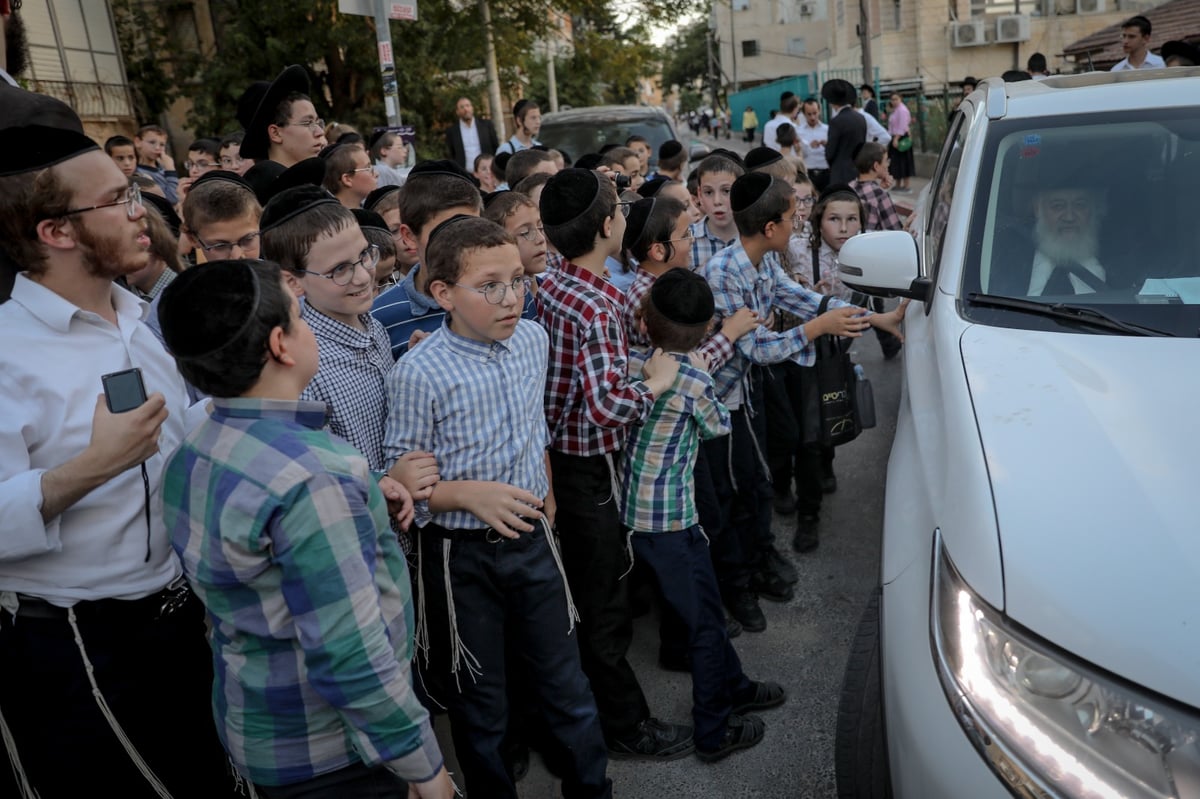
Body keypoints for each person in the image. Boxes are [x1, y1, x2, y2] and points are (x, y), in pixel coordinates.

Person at [0, 121, 239, 798]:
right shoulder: (6, 351)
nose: (145, 211)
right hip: (80, 645)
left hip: (180, 614)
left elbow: (178, 440)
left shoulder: (136, 316)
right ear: (57, 232)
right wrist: (92, 466)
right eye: (121, 197)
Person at [156, 259, 453, 799]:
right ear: (281, 345)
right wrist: (424, 768)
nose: (310, 325)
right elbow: (349, 653)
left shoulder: (193, 451)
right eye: (300, 316)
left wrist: (362, 495)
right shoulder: (313, 476)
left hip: (260, 723)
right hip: (335, 751)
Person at [384, 214, 612, 798]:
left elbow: (534, 429)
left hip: (534, 541)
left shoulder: (531, 340)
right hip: (459, 560)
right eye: (489, 286)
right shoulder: (419, 372)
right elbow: (406, 483)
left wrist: (549, 492)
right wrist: (460, 496)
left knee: (568, 687)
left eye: (518, 280)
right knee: (480, 706)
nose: (511, 299)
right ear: (442, 294)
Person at [537, 168, 695, 760]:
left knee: (586, 598)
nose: (625, 215)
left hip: (556, 460)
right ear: (608, 226)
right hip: (587, 472)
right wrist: (653, 382)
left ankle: (587, 717)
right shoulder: (597, 307)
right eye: (619, 210)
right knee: (604, 607)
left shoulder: (553, 282)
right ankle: (625, 726)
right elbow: (605, 407)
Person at [701, 173, 906, 626]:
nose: (798, 226)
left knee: (756, 486)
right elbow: (757, 348)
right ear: (770, 228)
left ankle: (761, 561)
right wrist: (817, 329)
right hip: (719, 404)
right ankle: (740, 587)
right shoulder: (722, 272)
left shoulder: (763, 263)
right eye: (793, 217)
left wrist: (877, 318)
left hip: (748, 392)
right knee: (737, 494)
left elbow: (810, 301)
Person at [623, 268, 786, 761]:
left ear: (646, 321)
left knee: (702, 613)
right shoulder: (694, 379)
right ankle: (714, 730)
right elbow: (716, 428)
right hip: (674, 521)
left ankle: (734, 685)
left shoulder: (636, 364)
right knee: (705, 625)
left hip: (634, 516)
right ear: (707, 329)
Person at [258, 185, 394, 477]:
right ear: (293, 282)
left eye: (365, 255)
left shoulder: (376, 328)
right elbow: (321, 473)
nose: (362, 276)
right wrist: (389, 481)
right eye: (340, 270)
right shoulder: (303, 369)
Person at [371, 161, 485, 359]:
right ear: (409, 237)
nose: (462, 241)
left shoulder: (509, 294)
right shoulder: (379, 316)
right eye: (444, 231)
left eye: (472, 227)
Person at [236, 65, 328, 168]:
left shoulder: (324, 180)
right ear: (275, 133)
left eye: (318, 123)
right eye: (307, 123)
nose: (320, 132)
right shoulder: (264, 183)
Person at [689, 153, 745, 272]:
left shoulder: (757, 237)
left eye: (726, 191)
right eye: (708, 192)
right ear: (699, 195)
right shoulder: (687, 241)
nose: (717, 201)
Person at [482, 190, 548, 286]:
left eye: (540, 228)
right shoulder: (511, 300)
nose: (541, 239)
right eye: (525, 233)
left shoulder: (548, 287)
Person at [822, 79, 866, 185]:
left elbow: (830, 153)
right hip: (858, 170)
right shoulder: (861, 118)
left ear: (832, 102)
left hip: (840, 172)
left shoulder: (836, 121)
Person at [446, 96, 500, 172]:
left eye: (468, 105)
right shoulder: (452, 131)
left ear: (472, 108)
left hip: (488, 172)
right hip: (465, 174)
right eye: (462, 107)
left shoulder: (486, 125)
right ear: (457, 112)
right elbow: (452, 154)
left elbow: (495, 147)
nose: (466, 109)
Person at [322, 141, 378, 209]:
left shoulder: (368, 213)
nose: (376, 174)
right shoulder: (330, 217)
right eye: (368, 168)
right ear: (347, 179)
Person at [134, 123, 179, 204]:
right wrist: (171, 170)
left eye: (162, 144)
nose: (157, 148)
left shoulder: (162, 170)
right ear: (138, 142)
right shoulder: (138, 173)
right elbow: (172, 198)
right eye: (152, 142)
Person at [796, 98, 830, 192]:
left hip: (826, 173)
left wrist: (828, 145)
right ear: (803, 114)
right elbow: (797, 153)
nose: (812, 117)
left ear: (819, 111)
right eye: (809, 114)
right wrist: (808, 147)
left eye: (815, 113)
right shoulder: (798, 131)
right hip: (808, 173)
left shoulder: (828, 129)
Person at [886, 94, 914, 193]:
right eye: (892, 99)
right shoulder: (896, 110)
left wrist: (896, 139)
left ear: (900, 99)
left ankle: (906, 186)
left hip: (900, 138)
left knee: (904, 162)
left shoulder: (902, 110)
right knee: (896, 162)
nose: (894, 101)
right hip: (896, 137)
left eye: (896, 99)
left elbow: (902, 126)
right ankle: (898, 185)